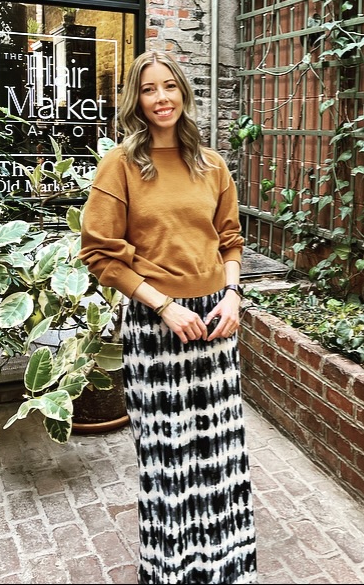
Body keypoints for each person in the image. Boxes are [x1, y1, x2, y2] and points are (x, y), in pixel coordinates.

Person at [80, 50, 257, 585]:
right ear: (136, 101)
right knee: (167, 454)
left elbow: (229, 240)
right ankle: (171, 572)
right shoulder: (120, 165)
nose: (162, 98)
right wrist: (164, 305)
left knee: (220, 453)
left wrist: (233, 295)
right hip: (157, 323)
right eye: (149, 89)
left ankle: (227, 569)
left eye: (170, 87)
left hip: (217, 321)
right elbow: (100, 253)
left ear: (183, 92)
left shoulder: (212, 164)